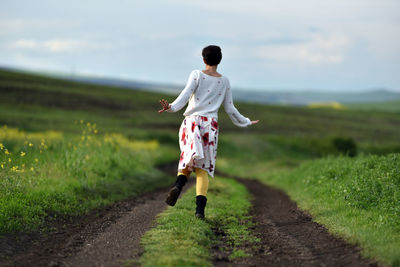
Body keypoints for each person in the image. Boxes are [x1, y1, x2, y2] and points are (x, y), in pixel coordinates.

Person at [158, 45, 259, 219]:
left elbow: (185, 94)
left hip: (192, 122)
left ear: (203, 59)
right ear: (219, 60)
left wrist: (171, 107)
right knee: (202, 169)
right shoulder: (225, 81)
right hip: (209, 126)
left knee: (188, 158)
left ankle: (179, 185)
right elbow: (230, 108)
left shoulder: (197, 74)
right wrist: (246, 121)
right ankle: (199, 212)